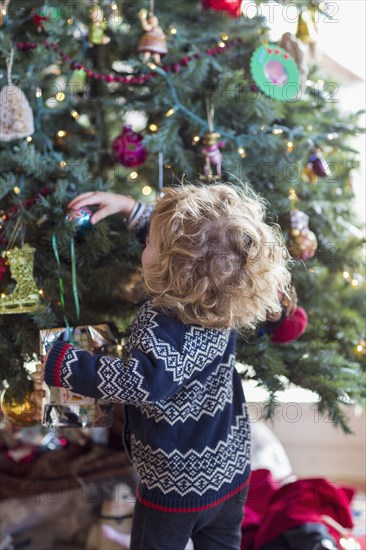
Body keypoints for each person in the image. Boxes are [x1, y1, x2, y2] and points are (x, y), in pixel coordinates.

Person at [44, 183, 293, 550]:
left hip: (176, 488)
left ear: (174, 266)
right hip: (231, 473)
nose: (145, 247)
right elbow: (195, 247)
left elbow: (139, 382)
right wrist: (132, 209)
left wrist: (66, 363)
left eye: (150, 244)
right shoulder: (223, 299)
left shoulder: (159, 323)